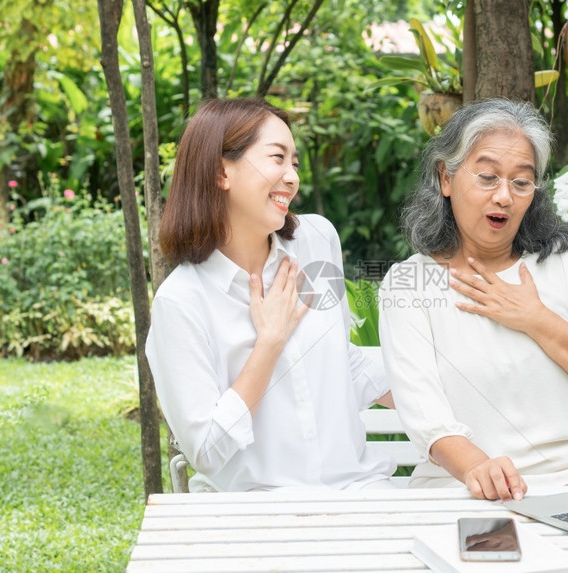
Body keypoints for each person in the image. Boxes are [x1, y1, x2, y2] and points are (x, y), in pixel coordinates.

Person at [378, 98, 568, 501]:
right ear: (446, 178)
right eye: (487, 177)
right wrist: (476, 467)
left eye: (521, 182)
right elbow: (424, 414)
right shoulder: (409, 282)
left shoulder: (563, 264)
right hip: (462, 487)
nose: (504, 196)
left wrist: (535, 318)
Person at [146, 98, 396, 492]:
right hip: (257, 513)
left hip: (358, 492)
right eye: (277, 158)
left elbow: (339, 360)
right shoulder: (180, 302)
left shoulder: (316, 240)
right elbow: (206, 450)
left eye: (294, 163)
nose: (292, 177)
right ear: (220, 171)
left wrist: (436, 382)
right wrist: (270, 343)